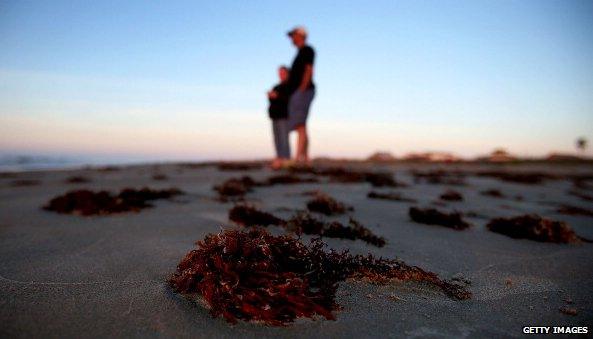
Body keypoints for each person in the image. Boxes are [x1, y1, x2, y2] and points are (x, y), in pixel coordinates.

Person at [287, 26, 315, 165]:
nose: (291, 38)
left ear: (301, 35)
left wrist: (302, 88)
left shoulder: (307, 50)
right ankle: (305, 157)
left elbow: (309, 69)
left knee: (300, 124)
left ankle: (299, 158)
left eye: (293, 35)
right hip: (298, 91)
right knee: (301, 124)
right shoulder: (299, 53)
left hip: (303, 90)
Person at [267, 66, 291, 169]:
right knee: (276, 139)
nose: (281, 75)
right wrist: (271, 97)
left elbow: (289, 100)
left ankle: (286, 159)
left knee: (284, 138)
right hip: (274, 116)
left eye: (283, 73)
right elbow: (272, 101)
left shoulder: (290, 86)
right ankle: (279, 158)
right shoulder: (276, 86)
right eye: (279, 73)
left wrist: (277, 96)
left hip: (284, 115)